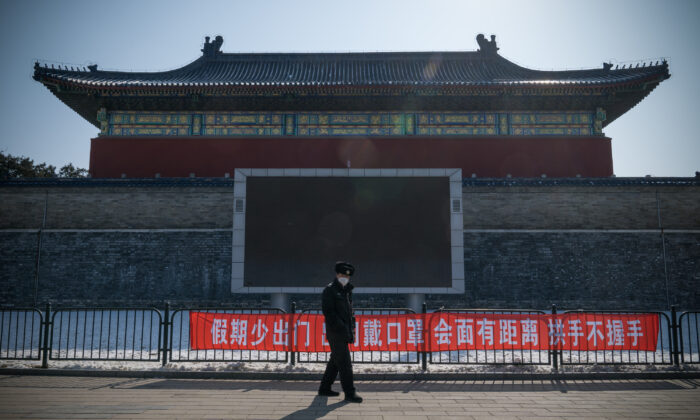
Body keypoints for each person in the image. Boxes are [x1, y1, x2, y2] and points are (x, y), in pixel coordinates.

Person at [318, 261, 363, 403]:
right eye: (342, 274)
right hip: (335, 332)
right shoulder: (330, 290)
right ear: (337, 274)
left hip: (345, 331)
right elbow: (329, 313)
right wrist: (342, 327)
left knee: (335, 361)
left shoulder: (347, 290)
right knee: (345, 363)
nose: (345, 277)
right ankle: (350, 393)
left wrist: (351, 328)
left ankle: (324, 388)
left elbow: (349, 313)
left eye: (347, 276)